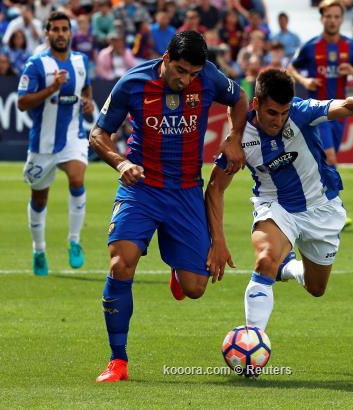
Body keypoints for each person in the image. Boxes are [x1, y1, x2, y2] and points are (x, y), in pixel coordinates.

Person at [205, 69, 353, 335]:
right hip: (276, 207)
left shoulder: (302, 112)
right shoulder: (240, 139)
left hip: (321, 207)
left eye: (283, 112)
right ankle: (252, 341)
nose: (278, 121)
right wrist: (217, 241)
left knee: (316, 288)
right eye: (272, 113)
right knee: (265, 259)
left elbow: (346, 105)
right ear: (256, 104)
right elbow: (215, 188)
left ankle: (286, 267)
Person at [88, 30, 248, 382]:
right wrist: (120, 163)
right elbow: (98, 136)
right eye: (180, 71)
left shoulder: (208, 77)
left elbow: (241, 99)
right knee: (121, 262)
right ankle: (118, 360)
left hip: (186, 191)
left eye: (192, 73)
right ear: (165, 58)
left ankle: (178, 270)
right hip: (141, 188)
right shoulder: (132, 83)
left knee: (195, 289)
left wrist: (234, 137)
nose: (186, 79)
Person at [17, 11, 94, 276]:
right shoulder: (36, 65)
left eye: (65, 29)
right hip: (43, 142)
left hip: (73, 134)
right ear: (47, 33)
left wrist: (88, 103)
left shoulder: (81, 60)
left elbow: (86, 88)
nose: (61, 34)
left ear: (71, 33)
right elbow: (22, 102)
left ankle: (74, 242)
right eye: (56, 29)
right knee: (39, 197)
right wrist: (52, 89)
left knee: (77, 178)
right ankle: (39, 250)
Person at [289, 0, 353, 227]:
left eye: (336, 16)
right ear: (321, 18)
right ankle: (335, 210)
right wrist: (305, 80)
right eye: (328, 16)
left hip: (341, 111)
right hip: (318, 110)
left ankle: (318, 207)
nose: (332, 20)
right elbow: (291, 67)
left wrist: (351, 70)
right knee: (330, 158)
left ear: (341, 19)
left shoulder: (351, 46)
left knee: (326, 162)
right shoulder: (311, 46)